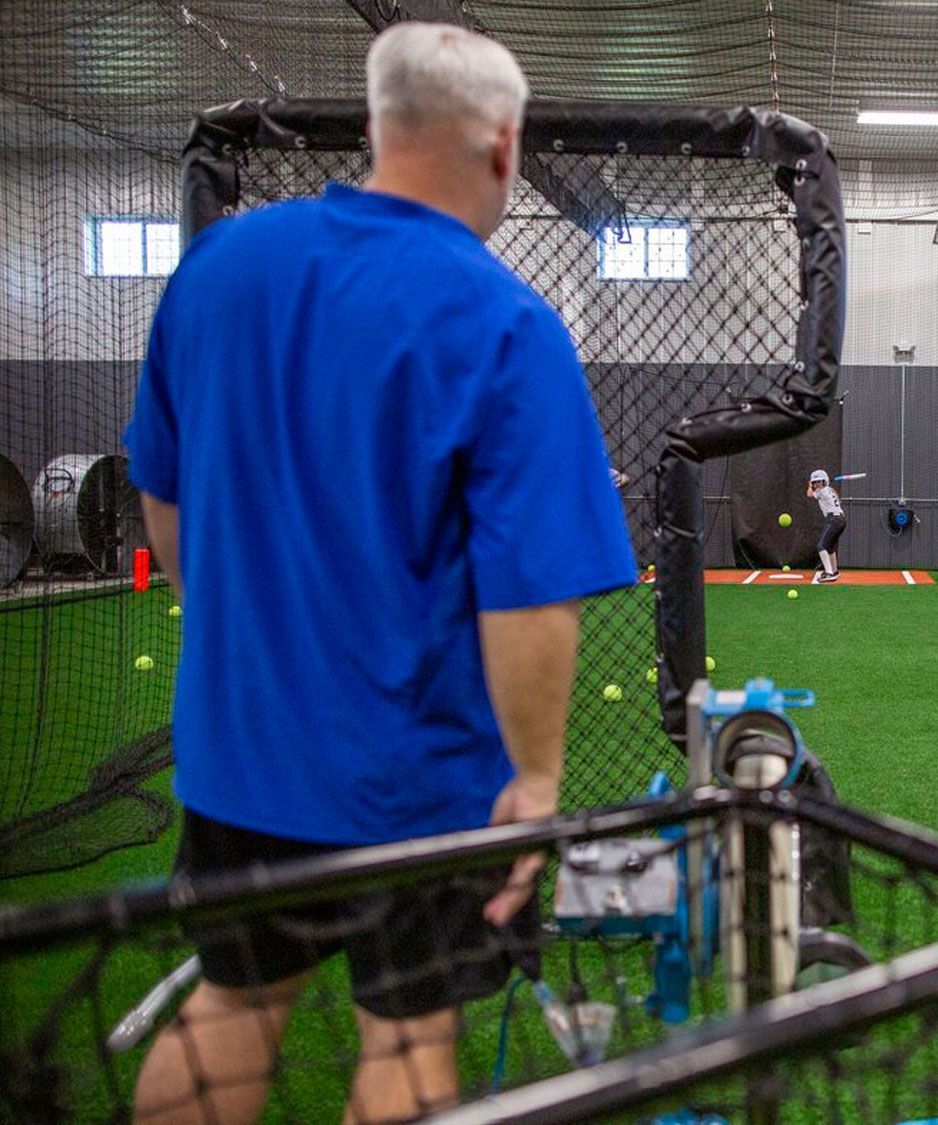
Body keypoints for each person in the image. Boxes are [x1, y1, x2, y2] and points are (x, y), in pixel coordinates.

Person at [122, 22, 636, 1124]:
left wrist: (239, 644)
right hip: (419, 786)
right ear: (505, 148)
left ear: (374, 125)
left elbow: (163, 505)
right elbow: (530, 595)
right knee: (408, 1040)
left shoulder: (220, 268)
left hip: (238, 756)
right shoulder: (503, 320)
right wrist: (536, 783)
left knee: (228, 1008)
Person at [805, 469, 845, 583]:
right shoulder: (830, 490)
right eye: (814, 482)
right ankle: (834, 571)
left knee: (821, 546)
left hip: (834, 519)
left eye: (819, 482)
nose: (816, 484)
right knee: (830, 547)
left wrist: (809, 486)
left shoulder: (821, 492)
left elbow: (809, 494)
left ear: (824, 481)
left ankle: (829, 573)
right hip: (840, 519)